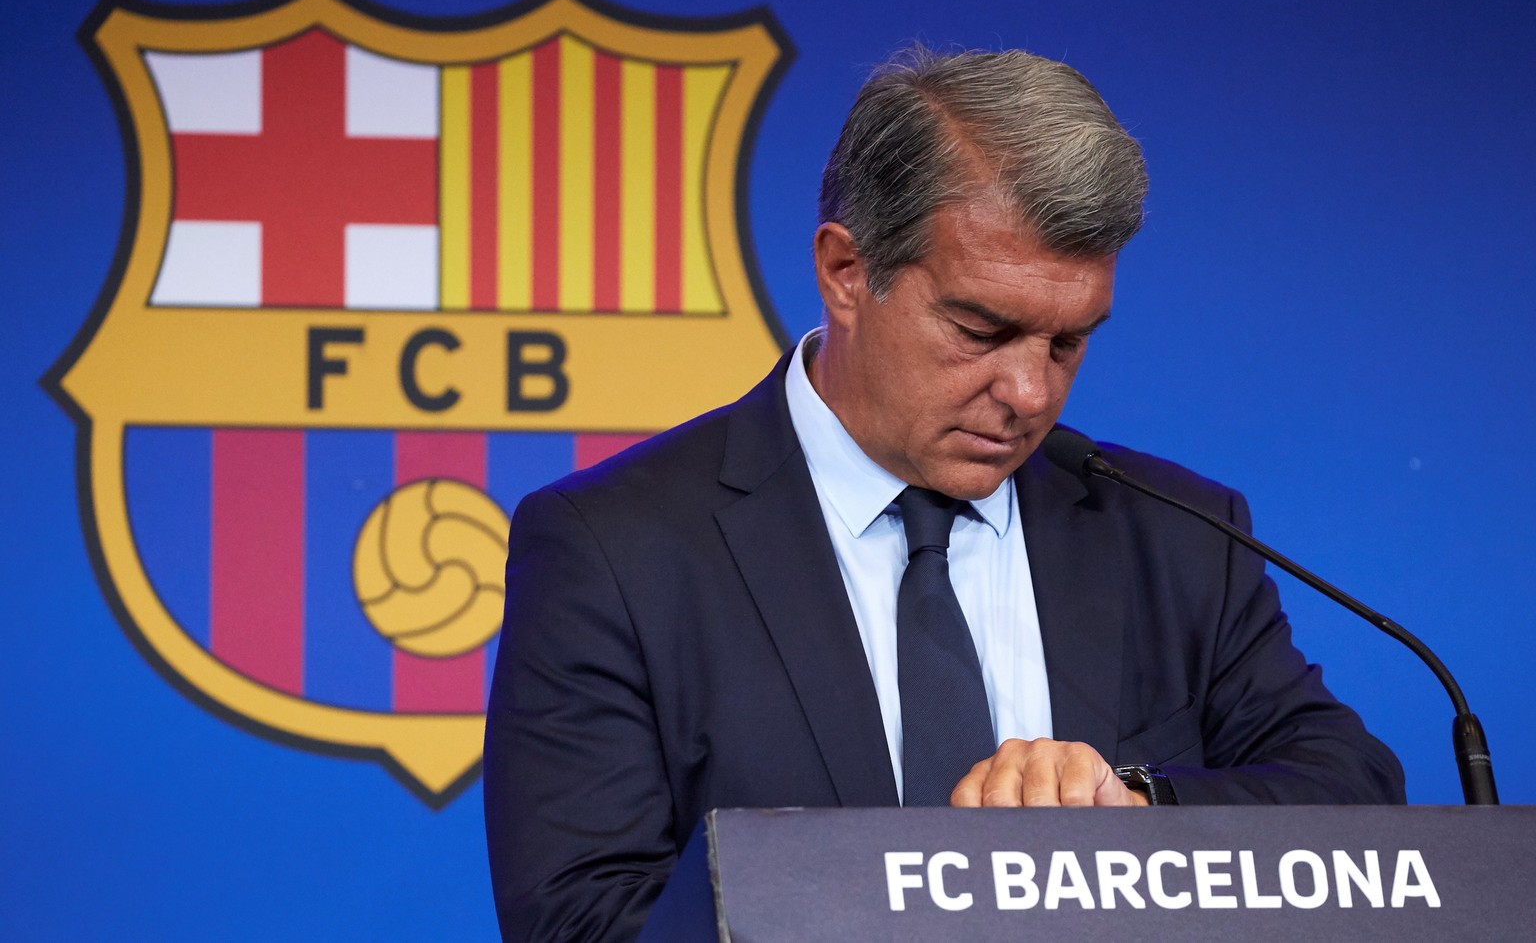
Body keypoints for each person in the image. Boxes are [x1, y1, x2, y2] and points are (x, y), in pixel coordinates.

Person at [483, 47, 1404, 942]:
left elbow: (1354, 791)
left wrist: (1137, 803)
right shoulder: (615, 549)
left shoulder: (1175, 533)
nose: (1030, 394)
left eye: (1067, 343)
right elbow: (581, 921)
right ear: (848, 273)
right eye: (981, 329)